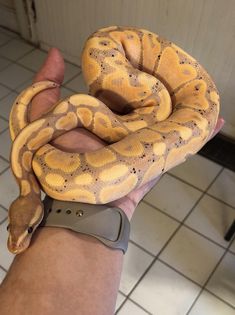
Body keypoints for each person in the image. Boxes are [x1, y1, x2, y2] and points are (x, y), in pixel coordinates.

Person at [0, 48, 224, 315]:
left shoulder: (36, 162)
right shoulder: (37, 165)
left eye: (25, 232)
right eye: (23, 230)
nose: (16, 245)